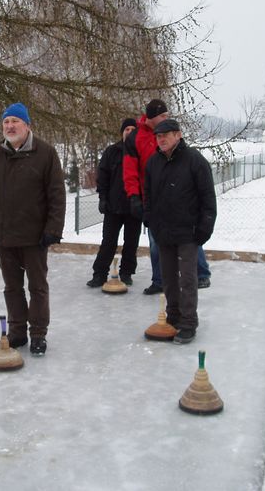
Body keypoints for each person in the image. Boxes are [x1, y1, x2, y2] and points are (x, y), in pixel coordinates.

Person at [0, 102, 66, 356]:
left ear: (27, 125)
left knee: (37, 287)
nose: (9, 126)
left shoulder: (46, 153)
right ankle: (17, 332)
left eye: (15, 121)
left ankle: (38, 334)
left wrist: (53, 228)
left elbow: (56, 194)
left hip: (35, 236)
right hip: (5, 235)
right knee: (12, 287)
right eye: (6, 122)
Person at [123, 99, 211, 295]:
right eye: (162, 115)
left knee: (189, 237)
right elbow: (129, 170)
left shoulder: (172, 138)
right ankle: (160, 280)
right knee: (156, 242)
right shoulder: (135, 138)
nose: (166, 118)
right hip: (152, 197)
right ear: (152, 117)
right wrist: (134, 196)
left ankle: (202, 273)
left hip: (178, 196)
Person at [143, 119, 217, 344]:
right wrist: (150, 220)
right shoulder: (154, 162)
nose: (161, 139)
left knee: (187, 277)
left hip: (188, 231)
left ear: (178, 135)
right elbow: (149, 196)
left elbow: (207, 197)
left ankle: (188, 322)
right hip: (163, 231)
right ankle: (173, 316)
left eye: (166, 135)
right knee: (168, 278)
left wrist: (205, 227)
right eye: (158, 136)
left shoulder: (194, 160)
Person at [87, 118, 142, 287]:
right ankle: (99, 274)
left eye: (133, 129)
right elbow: (102, 177)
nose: (130, 132)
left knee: (131, 243)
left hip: (135, 207)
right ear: (122, 132)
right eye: (127, 129)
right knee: (108, 242)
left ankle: (126, 273)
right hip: (113, 207)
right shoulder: (112, 151)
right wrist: (102, 198)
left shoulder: (141, 153)